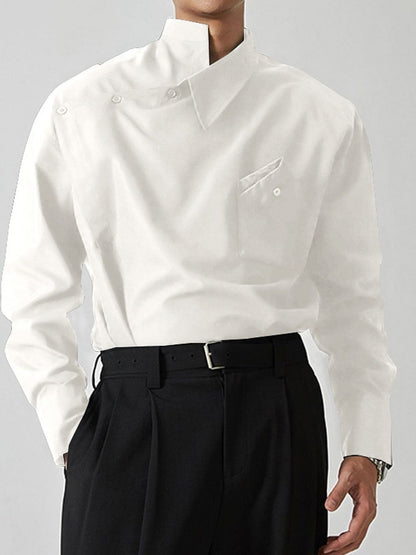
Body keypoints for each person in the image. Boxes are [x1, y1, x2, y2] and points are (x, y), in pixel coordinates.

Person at [1, 1, 397, 554]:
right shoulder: (81, 106)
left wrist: (366, 441)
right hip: (137, 416)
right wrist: (77, 440)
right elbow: (32, 293)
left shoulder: (321, 114)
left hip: (275, 416)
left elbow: (352, 296)